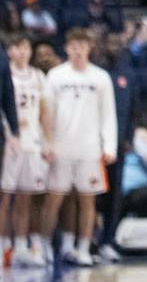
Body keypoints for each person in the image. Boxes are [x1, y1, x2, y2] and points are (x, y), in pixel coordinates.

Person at [40, 29, 116, 267]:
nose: (79, 49)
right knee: (54, 199)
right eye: (74, 45)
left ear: (89, 47)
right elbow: (46, 114)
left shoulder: (101, 77)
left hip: (90, 150)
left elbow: (108, 115)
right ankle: (43, 247)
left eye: (83, 45)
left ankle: (81, 248)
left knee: (87, 201)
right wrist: (47, 143)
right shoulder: (55, 76)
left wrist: (109, 145)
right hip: (60, 149)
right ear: (67, 47)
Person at [0, 34, 47, 269]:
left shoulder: (38, 76)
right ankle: (2, 247)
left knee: (26, 198)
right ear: (10, 51)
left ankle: (21, 246)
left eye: (26, 47)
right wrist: (11, 132)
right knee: (4, 197)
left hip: (32, 143)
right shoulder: (5, 72)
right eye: (17, 47)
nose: (22, 51)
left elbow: (45, 111)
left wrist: (46, 142)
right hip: (9, 142)